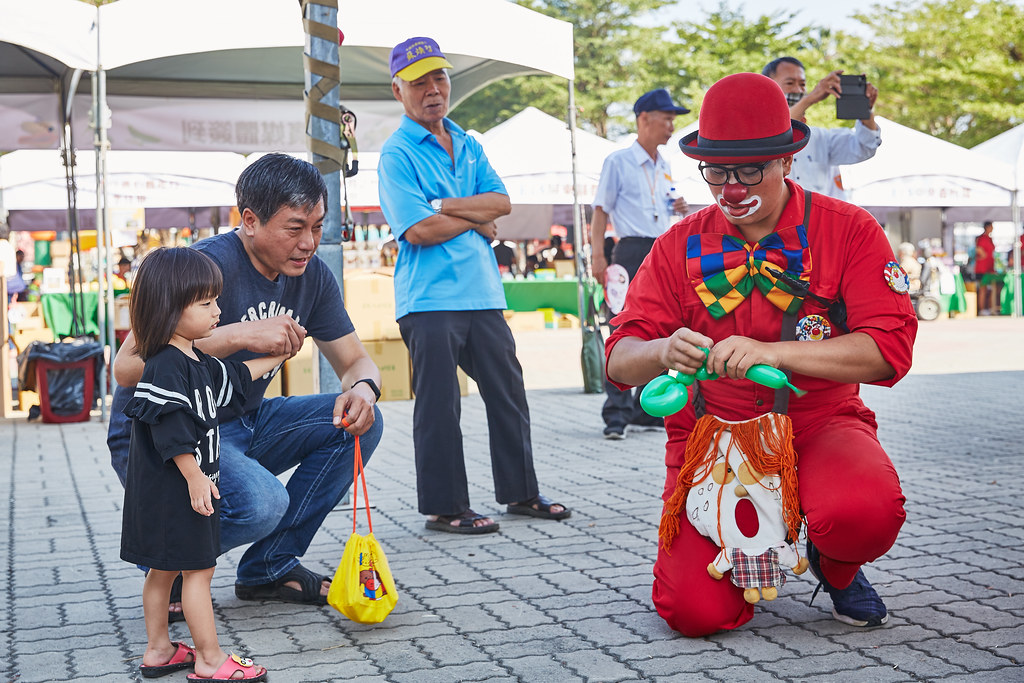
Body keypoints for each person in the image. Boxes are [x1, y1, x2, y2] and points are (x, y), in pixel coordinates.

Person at [605, 73, 918, 636]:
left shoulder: (848, 230)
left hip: (819, 424)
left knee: (863, 513)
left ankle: (838, 565)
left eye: (751, 170)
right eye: (718, 172)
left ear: (787, 162)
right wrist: (660, 348)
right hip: (711, 438)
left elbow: (887, 349)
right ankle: (745, 561)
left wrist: (774, 351)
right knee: (693, 615)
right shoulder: (677, 244)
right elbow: (620, 357)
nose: (731, 188)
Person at [109, 153, 384, 616]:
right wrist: (237, 335)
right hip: (166, 434)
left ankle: (269, 568)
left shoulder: (312, 276)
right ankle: (168, 567)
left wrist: (364, 390)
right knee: (261, 503)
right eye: (294, 228)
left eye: (317, 227)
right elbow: (127, 368)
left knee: (359, 423)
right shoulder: (199, 265)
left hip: (242, 420)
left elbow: (356, 360)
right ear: (250, 220)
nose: (309, 243)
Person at [377, 36, 570, 534]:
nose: (432, 89)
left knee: (508, 393)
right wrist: (474, 216)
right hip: (429, 299)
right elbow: (417, 230)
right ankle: (445, 508)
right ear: (398, 91)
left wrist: (444, 204)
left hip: (483, 292)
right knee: (440, 406)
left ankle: (521, 492)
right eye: (419, 82)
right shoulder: (397, 151)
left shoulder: (467, 142)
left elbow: (502, 203)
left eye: (439, 77)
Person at [122, 248, 277, 682]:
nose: (218, 311)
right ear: (169, 308)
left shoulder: (193, 360)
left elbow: (238, 380)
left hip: (162, 492)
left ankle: (159, 650)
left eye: (216, 300)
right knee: (199, 572)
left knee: (162, 571)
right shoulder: (167, 365)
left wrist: (280, 355)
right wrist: (195, 477)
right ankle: (210, 660)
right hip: (180, 489)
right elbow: (169, 431)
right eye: (205, 303)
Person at [590, 88, 690, 439]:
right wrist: (597, 255)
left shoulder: (665, 164)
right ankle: (615, 414)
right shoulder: (618, 161)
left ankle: (644, 407)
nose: (671, 126)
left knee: (662, 327)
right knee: (622, 328)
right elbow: (600, 209)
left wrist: (678, 208)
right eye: (666, 118)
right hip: (630, 249)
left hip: (662, 248)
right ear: (644, 118)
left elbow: (664, 203)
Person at [763, 57, 881, 199]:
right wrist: (810, 98)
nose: (798, 89)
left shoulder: (820, 138)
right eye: (790, 83)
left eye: (802, 84)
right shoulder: (757, 135)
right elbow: (780, 132)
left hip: (819, 219)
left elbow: (865, 146)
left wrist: (865, 110)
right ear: (768, 88)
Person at [975, 221, 1000, 315]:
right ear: (987, 227)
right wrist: (983, 255)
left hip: (990, 268)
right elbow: (978, 249)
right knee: (983, 289)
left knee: (991, 289)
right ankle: (982, 309)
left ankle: (990, 308)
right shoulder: (982, 238)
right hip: (982, 269)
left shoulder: (989, 239)